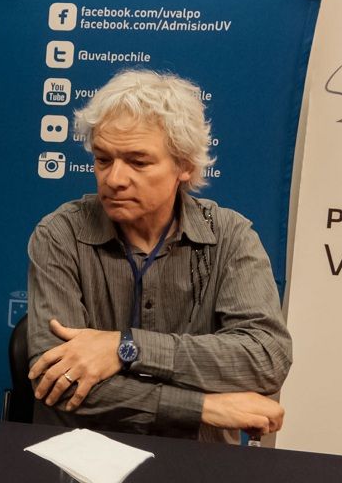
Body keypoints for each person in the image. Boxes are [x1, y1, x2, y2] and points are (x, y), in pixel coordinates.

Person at [26, 69, 292, 442]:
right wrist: (202, 407)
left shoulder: (229, 236)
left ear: (185, 165)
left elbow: (266, 358)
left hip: (198, 461)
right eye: (103, 159)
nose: (114, 179)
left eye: (138, 162)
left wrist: (124, 348)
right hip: (85, 455)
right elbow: (58, 380)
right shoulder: (61, 234)